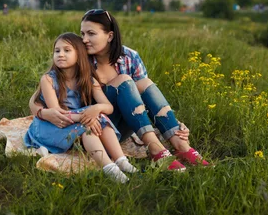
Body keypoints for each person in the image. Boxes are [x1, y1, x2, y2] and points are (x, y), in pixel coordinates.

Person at [30, 10, 209, 171]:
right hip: (96, 127)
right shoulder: (80, 59)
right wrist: (46, 113)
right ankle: (155, 148)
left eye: (91, 33)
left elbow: (145, 99)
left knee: (143, 82)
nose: (84, 39)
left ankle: (181, 145)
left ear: (109, 36)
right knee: (124, 80)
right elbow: (36, 99)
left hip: (125, 123)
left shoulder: (130, 57)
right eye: (83, 33)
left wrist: (174, 123)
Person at [25, 32, 138, 183]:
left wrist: (95, 110)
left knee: (99, 118)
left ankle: (121, 160)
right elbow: (57, 113)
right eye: (57, 51)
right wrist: (86, 117)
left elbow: (108, 107)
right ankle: (109, 168)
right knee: (89, 125)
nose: (60, 54)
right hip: (52, 126)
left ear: (79, 54)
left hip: (76, 122)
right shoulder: (48, 79)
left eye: (67, 50)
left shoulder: (88, 80)